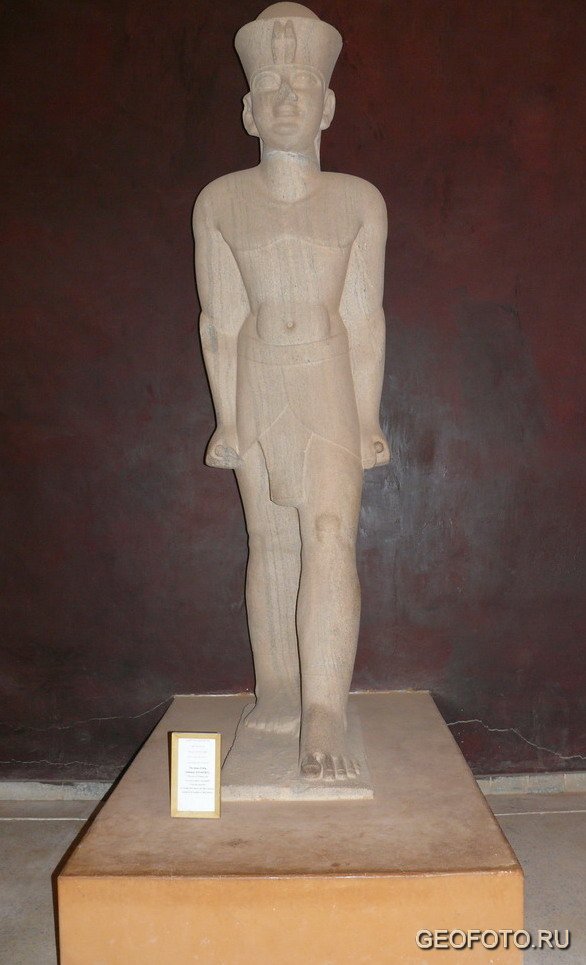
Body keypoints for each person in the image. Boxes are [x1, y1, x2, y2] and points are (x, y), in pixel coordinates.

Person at [193, 2, 389, 781]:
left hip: (328, 381)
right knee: (271, 539)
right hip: (258, 379)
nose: (283, 99)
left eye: (298, 86)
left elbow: (365, 318)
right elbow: (219, 320)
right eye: (269, 87)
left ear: (326, 106)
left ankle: (324, 707)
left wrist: (368, 419)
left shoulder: (358, 200)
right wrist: (227, 418)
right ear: (248, 111)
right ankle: (278, 687)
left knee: (330, 532)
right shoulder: (220, 201)